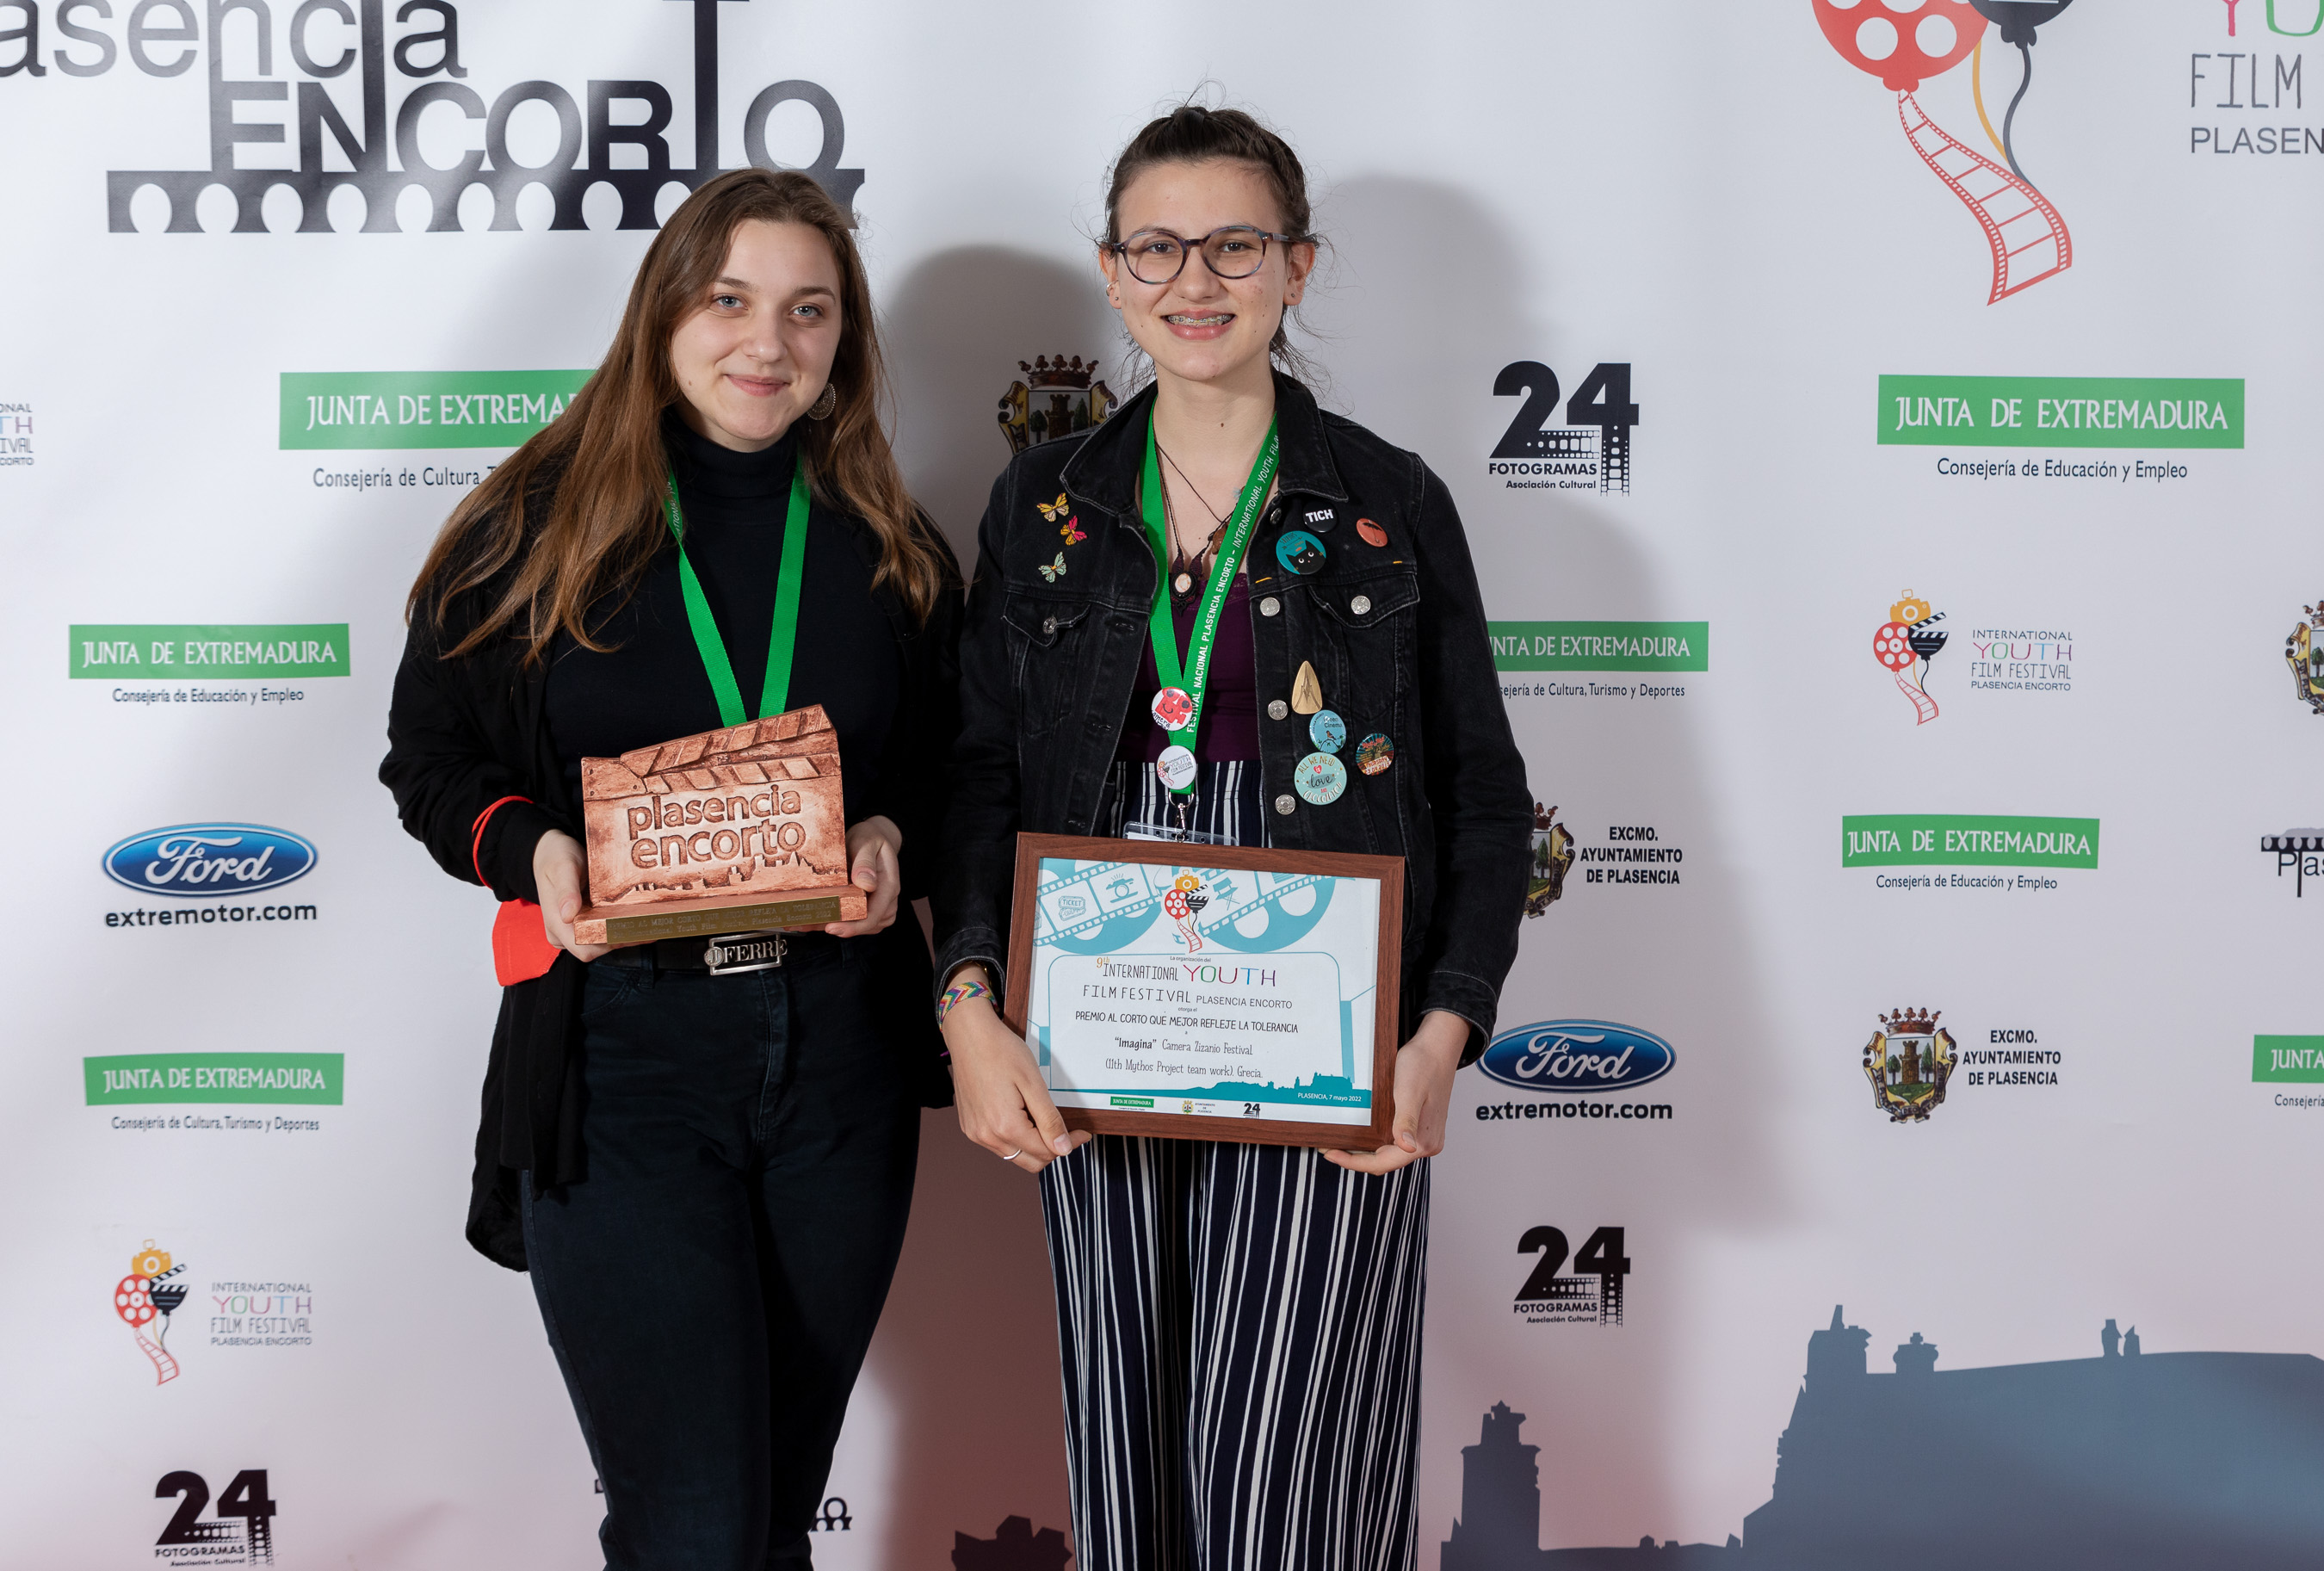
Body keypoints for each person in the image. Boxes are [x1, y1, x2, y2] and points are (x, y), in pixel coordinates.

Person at [932, 105, 1530, 1568]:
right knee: (1127, 1461)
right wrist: (967, 1003)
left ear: (1297, 266)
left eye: (1235, 245)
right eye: (1156, 246)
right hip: (1094, 1004)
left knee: (1285, 1479)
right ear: (1111, 271)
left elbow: (1480, 789)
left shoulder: (1389, 500)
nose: (1193, 280)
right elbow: (980, 772)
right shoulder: (1042, 501)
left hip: (1327, 1016)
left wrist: (1438, 1034)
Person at [379, 167, 958, 1571]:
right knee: (692, 1530)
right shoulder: (533, 526)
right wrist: (533, 848)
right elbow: (430, 759)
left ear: (844, 338)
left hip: (838, 1059)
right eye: (730, 300)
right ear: (662, 313)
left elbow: (956, 770)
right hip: (624, 1056)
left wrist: (893, 836)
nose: (769, 341)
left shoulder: (888, 544)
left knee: (769, 1520)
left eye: (809, 310)